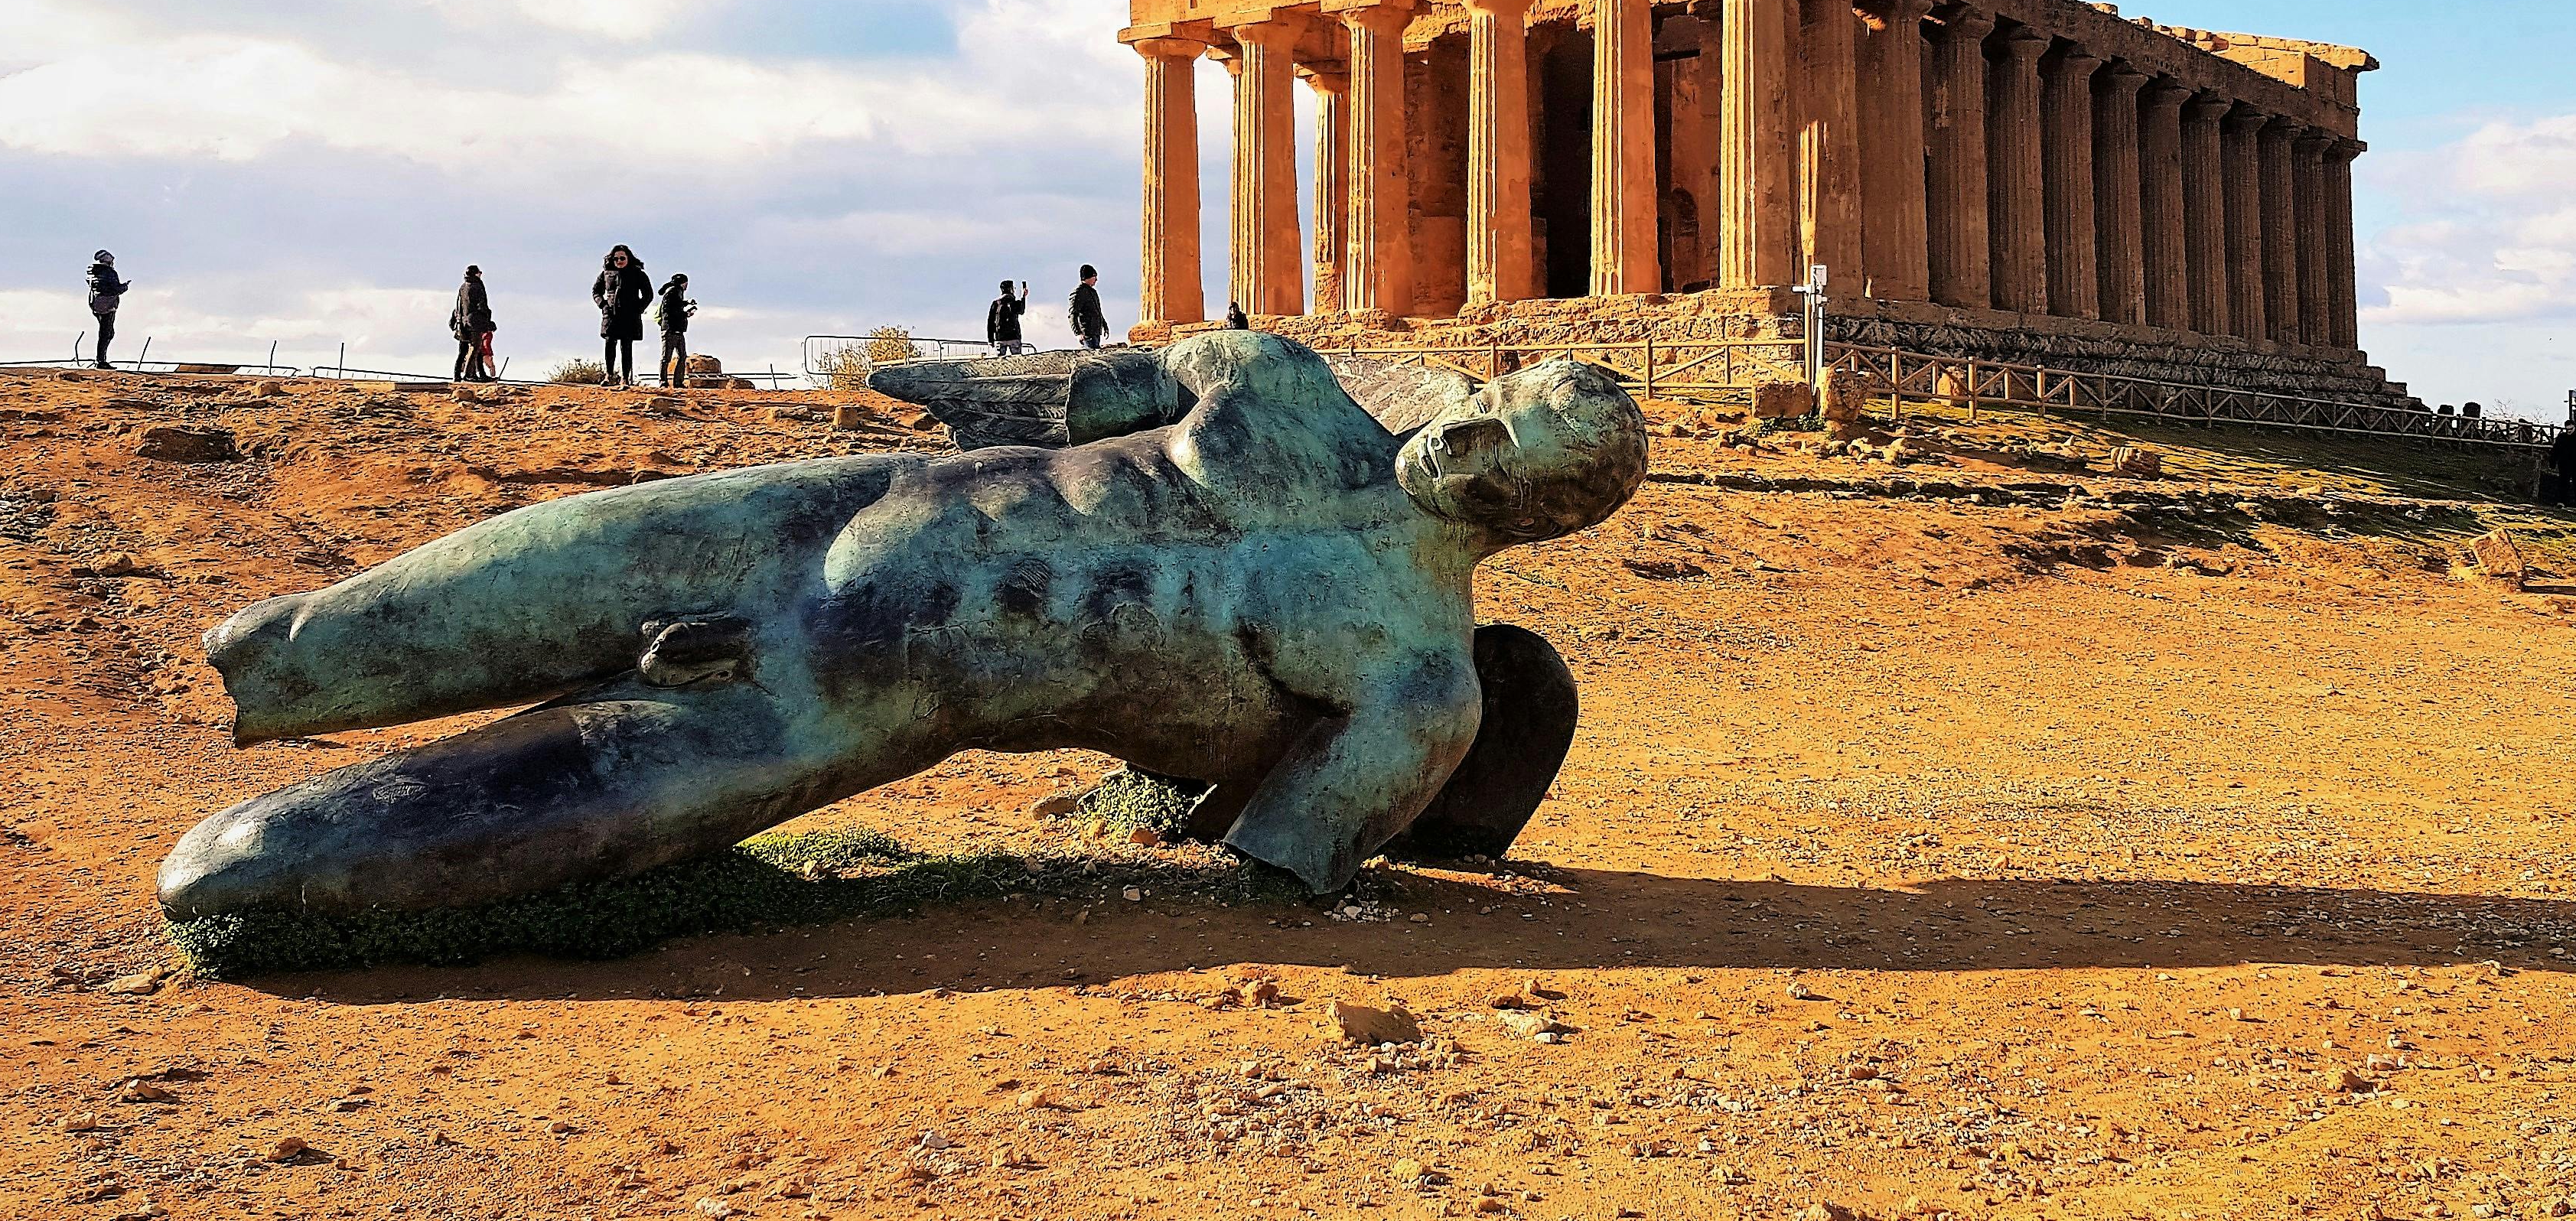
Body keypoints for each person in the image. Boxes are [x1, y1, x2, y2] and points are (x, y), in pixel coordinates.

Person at [161, 334, 1648, 918]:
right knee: (304, 642)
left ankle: (269, 898)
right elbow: (1072, 389)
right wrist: (943, 381)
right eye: (1481, 411)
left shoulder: (1417, 683)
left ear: (1547, 519)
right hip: (821, 509)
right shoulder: (1273, 380)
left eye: (1509, 464)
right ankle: (290, 687)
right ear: (1466, 386)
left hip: (865, 695)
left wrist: (1216, 820)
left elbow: (1265, 872)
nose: (1461, 449)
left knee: (249, 872)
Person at [591, 245, 654, 387]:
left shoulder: (638, 274)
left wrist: (638, 309)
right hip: (611, 314)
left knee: (626, 346)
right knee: (609, 343)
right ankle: (609, 375)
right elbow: (596, 291)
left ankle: (625, 378)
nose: (619, 261)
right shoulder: (606, 274)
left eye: (622, 258)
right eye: (616, 258)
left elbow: (648, 295)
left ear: (628, 258)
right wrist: (603, 305)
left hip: (629, 315)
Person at [449, 265, 495, 382]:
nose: (481, 274)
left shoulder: (463, 287)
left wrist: (454, 320)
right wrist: (488, 321)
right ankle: (469, 375)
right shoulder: (477, 286)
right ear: (475, 274)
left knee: (464, 350)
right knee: (475, 348)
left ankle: (458, 376)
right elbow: (482, 305)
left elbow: (459, 305)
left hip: (463, 323)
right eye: (479, 272)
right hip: (475, 323)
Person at [653, 272, 698, 389]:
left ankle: (677, 382)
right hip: (670, 329)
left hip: (676, 329)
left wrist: (687, 303)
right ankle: (664, 382)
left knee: (681, 356)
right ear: (683, 283)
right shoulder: (674, 291)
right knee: (667, 357)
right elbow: (671, 310)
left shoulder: (674, 291)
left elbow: (675, 305)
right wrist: (686, 314)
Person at [85, 250, 129, 369]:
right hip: (108, 305)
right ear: (107, 259)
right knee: (106, 333)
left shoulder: (93, 271)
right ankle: (101, 361)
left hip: (96, 304)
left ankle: (101, 360)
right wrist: (125, 287)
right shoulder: (110, 272)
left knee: (107, 333)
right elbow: (115, 289)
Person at [2546, 418, 2576, 509]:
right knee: (2563, 483)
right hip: (2564, 464)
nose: (2569, 431)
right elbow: (2555, 450)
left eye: (2571, 429)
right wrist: (2552, 463)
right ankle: (2561, 501)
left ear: (2574, 427)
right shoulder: (2561, 437)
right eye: (2567, 429)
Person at [985, 280, 1031, 357]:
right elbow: (1021, 311)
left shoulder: (996, 304)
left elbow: (990, 322)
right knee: (1017, 359)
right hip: (1014, 336)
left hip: (999, 337)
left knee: (1000, 362)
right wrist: (1023, 297)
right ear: (1011, 289)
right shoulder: (1014, 302)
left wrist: (991, 340)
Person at [1069, 264, 1108, 351]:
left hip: (1096, 332)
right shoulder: (1079, 293)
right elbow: (1073, 314)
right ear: (1088, 277)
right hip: (1087, 334)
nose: (1096, 280)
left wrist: (1104, 325)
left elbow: (1097, 311)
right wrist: (1078, 333)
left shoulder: (1093, 292)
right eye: (1094, 276)